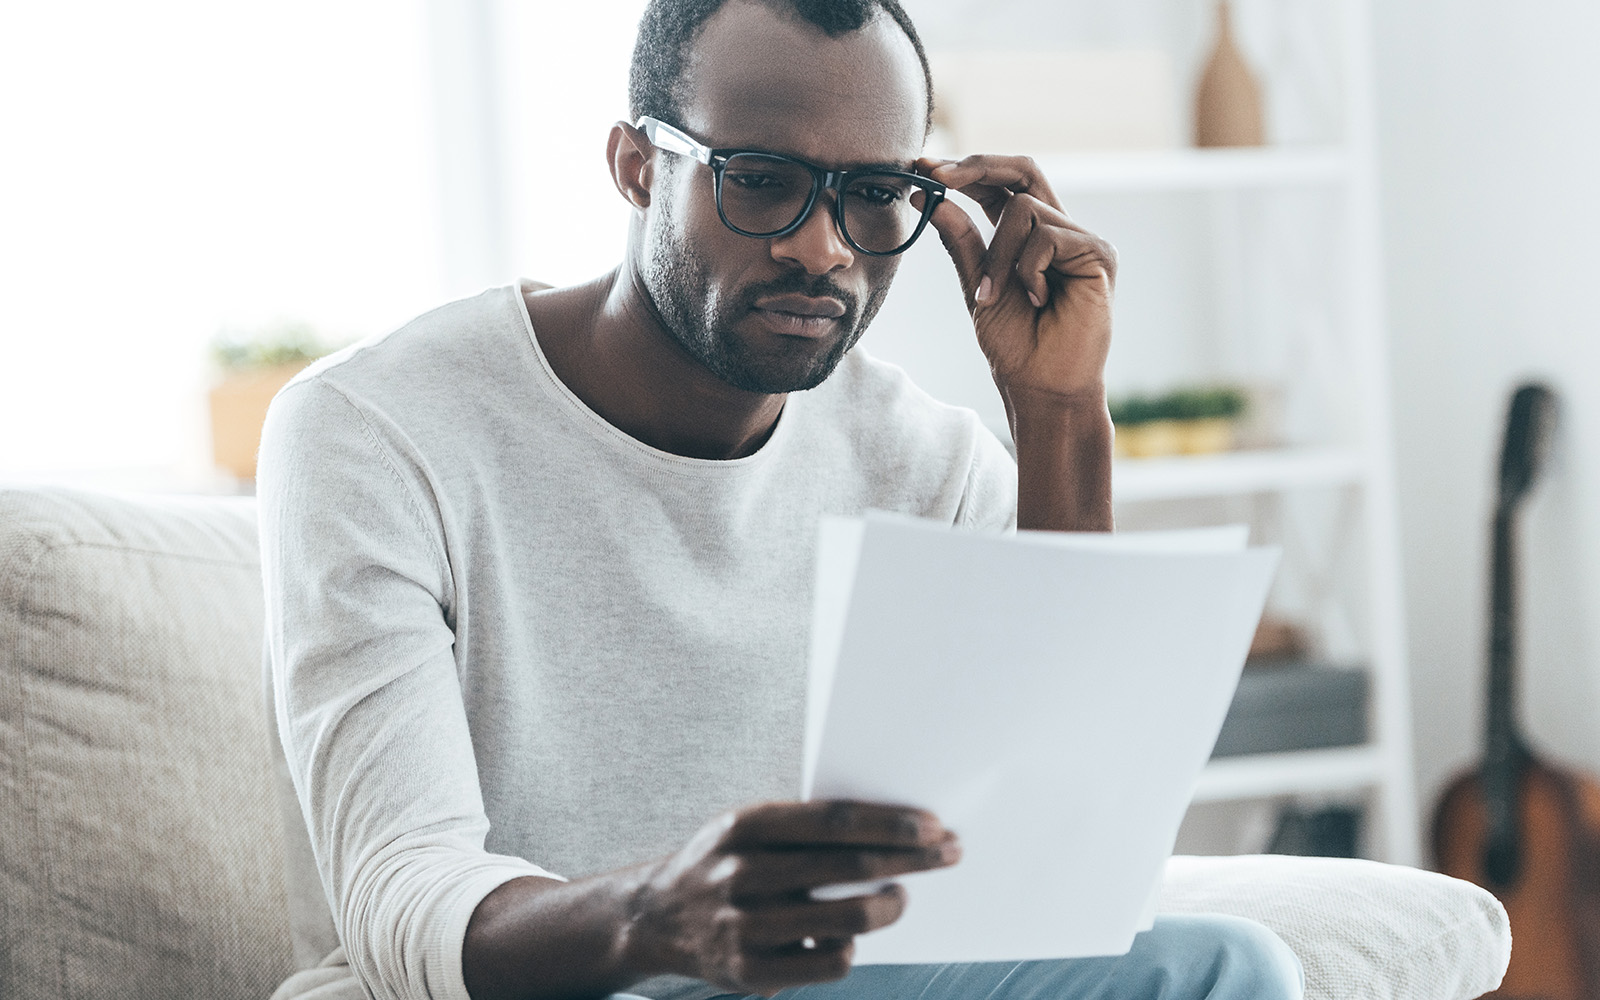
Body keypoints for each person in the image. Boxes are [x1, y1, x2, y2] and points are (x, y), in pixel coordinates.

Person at [258, 1, 1305, 999]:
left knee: (1226, 970)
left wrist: (1059, 412)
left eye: (873, 192)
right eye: (759, 180)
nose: (823, 247)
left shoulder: (924, 462)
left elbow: (1062, 850)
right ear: (635, 168)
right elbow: (402, 903)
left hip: (814, 986)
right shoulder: (371, 427)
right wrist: (659, 917)